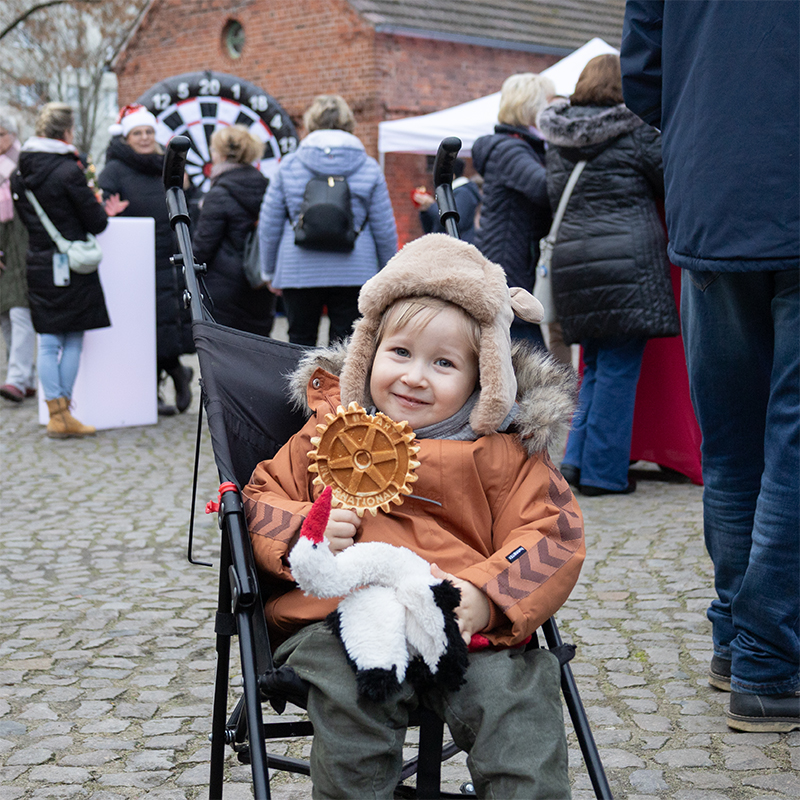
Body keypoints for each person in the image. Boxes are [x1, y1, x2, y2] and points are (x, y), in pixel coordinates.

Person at [243, 233, 584, 798]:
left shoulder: (503, 452)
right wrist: (310, 528)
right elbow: (257, 501)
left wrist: (488, 595)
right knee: (350, 696)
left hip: (459, 622)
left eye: (443, 363)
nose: (414, 376)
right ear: (368, 353)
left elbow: (553, 534)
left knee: (515, 705)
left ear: (484, 378)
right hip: (342, 619)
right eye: (399, 353)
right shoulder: (328, 436)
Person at [621, 0, 799, 731]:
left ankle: (736, 636)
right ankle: (767, 658)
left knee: (731, 443)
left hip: (711, 193)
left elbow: (642, 76)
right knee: (786, 442)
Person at [536, 54, 679, 497]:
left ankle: (576, 460)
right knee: (618, 371)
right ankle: (603, 474)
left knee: (594, 366)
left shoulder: (557, 138)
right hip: (626, 264)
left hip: (573, 264)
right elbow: (670, 179)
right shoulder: (635, 132)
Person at [10, 103, 116, 437]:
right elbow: (97, 222)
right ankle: (63, 415)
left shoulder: (18, 173)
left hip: (39, 261)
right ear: (67, 132)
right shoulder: (69, 171)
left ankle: (56, 413)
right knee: (71, 338)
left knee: (48, 340)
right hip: (72, 264)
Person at [258, 94, 397, 347]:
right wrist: (388, 274)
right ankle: (340, 376)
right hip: (355, 271)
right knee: (345, 346)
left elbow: (270, 223)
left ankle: (304, 376)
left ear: (311, 123)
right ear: (348, 123)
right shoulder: (368, 167)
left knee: (300, 341)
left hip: (297, 270)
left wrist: (268, 270)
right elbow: (384, 227)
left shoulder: (289, 165)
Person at [99, 104, 194, 416]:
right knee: (142, 327)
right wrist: (110, 212)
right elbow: (102, 209)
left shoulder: (167, 166)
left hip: (167, 254)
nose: (144, 137)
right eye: (137, 132)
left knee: (165, 323)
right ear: (126, 137)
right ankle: (170, 378)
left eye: (149, 132)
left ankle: (162, 384)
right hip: (133, 259)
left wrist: (186, 188)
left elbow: (187, 203)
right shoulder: (114, 170)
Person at [472, 73, 555, 348]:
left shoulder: (518, 147)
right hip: (510, 266)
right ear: (532, 107)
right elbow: (544, 187)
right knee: (525, 353)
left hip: (512, 262)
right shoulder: (510, 150)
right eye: (547, 103)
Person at [192, 126, 274, 337]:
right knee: (257, 348)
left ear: (220, 154)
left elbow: (203, 247)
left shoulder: (218, 193)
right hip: (258, 284)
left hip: (223, 289)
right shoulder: (267, 187)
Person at [0, 112, 34, 403]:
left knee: (20, 311)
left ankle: (16, 378)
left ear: (12, 134)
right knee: (5, 315)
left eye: (1, 134)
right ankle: (26, 378)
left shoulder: (24, 163)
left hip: (21, 243)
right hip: (2, 245)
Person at [412, 158, 482, 244]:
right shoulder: (448, 193)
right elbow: (432, 229)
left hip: (458, 246)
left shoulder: (463, 193)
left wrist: (432, 205)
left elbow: (455, 223)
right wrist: (425, 211)